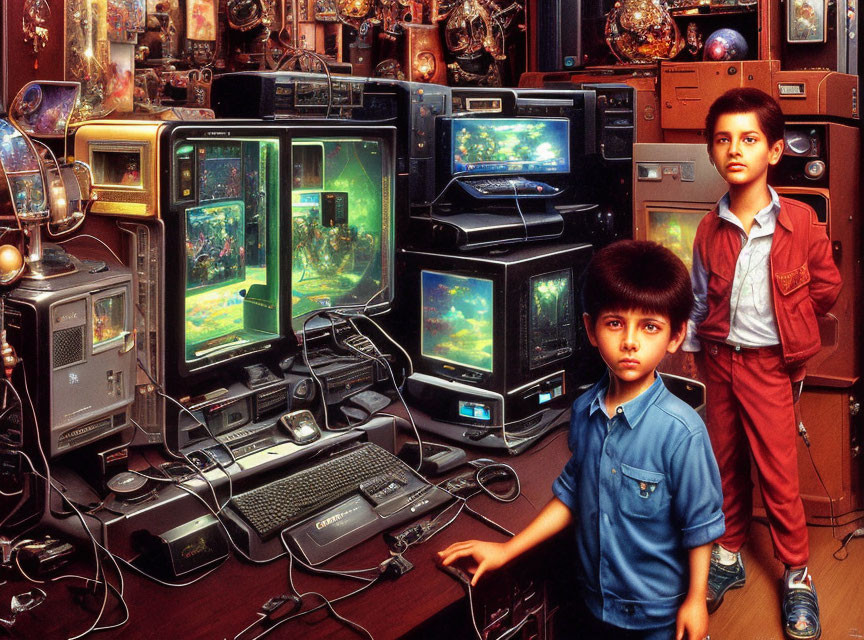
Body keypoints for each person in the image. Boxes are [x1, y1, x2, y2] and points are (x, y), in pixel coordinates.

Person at [439, 240, 725, 640]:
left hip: (657, 616)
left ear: (676, 336)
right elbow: (574, 492)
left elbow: (700, 527)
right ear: (591, 329)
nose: (630, 341)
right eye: (615, 324)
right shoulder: (585, 410)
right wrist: (507, 550)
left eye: (650, 327)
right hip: (595, 604)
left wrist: (695, 600)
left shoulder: (682, 433)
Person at [682, 88, 841, 640]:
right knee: (722, 462)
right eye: (723, 140)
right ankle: (728, 555)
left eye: (749, 139)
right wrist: (697, 356)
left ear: (774, 151)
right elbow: (701, 300)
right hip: (720, 362)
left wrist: (792, 329)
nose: (735, 150)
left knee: (777, 474)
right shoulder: (708, 229)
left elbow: (826, 289)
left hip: (772, 367)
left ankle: (797, 574)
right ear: (711, 151)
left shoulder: (799, 223)